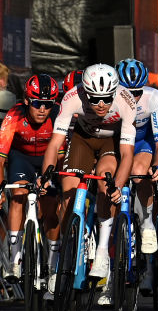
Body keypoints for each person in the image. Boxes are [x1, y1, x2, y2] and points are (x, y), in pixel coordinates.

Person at [40, 63, 137, 285]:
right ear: (85, 92)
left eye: (106, 98)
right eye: (94, 99)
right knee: (68, 194)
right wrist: (46, 176)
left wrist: (118, 187)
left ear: (114, 92)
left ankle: (102, 251)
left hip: (111, 141)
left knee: (106, 183)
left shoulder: (125, 100)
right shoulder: (72, 97)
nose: (101, 104)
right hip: (82, 139)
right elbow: (55, 144)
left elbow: (127, 153)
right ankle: (64, 258)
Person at [0, 75, 60, 280]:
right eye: (37, 103)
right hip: (21, 158)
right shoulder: (14, 115)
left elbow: (61, 154)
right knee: (18, 193)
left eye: (47, 104)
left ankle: (53, 263)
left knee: (51, 206)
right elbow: (0, 157)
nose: (42, 109)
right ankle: (15, 259)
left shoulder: (58, 115)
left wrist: (51, 178)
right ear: (26, 100)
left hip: (48, 158)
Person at [115, 58, 158, 257]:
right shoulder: (109, 97)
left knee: (139, 173)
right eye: (127, 92)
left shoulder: (153, 97)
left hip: (143, 143)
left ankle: (147, 223)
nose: (132, 98)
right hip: (118, 142)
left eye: (137, 93)